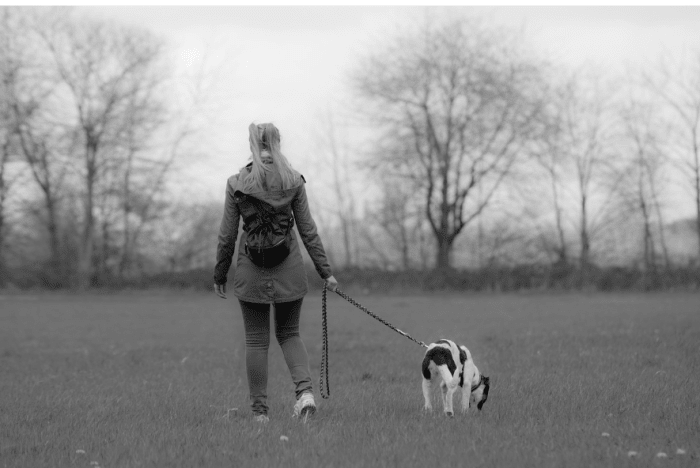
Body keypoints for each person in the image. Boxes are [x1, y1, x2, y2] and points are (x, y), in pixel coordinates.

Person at [214, 122, 338, 424]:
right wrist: (326, 271)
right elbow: (308, 230)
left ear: (253, 144)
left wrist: (220, 273)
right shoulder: (293, 180)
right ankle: (305, 394)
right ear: (278, 143)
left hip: (250, 270)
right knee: (289, 333)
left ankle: (260, 414)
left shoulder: (237, 182)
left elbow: (227, 236)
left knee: (256, 341)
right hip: (290, 268)